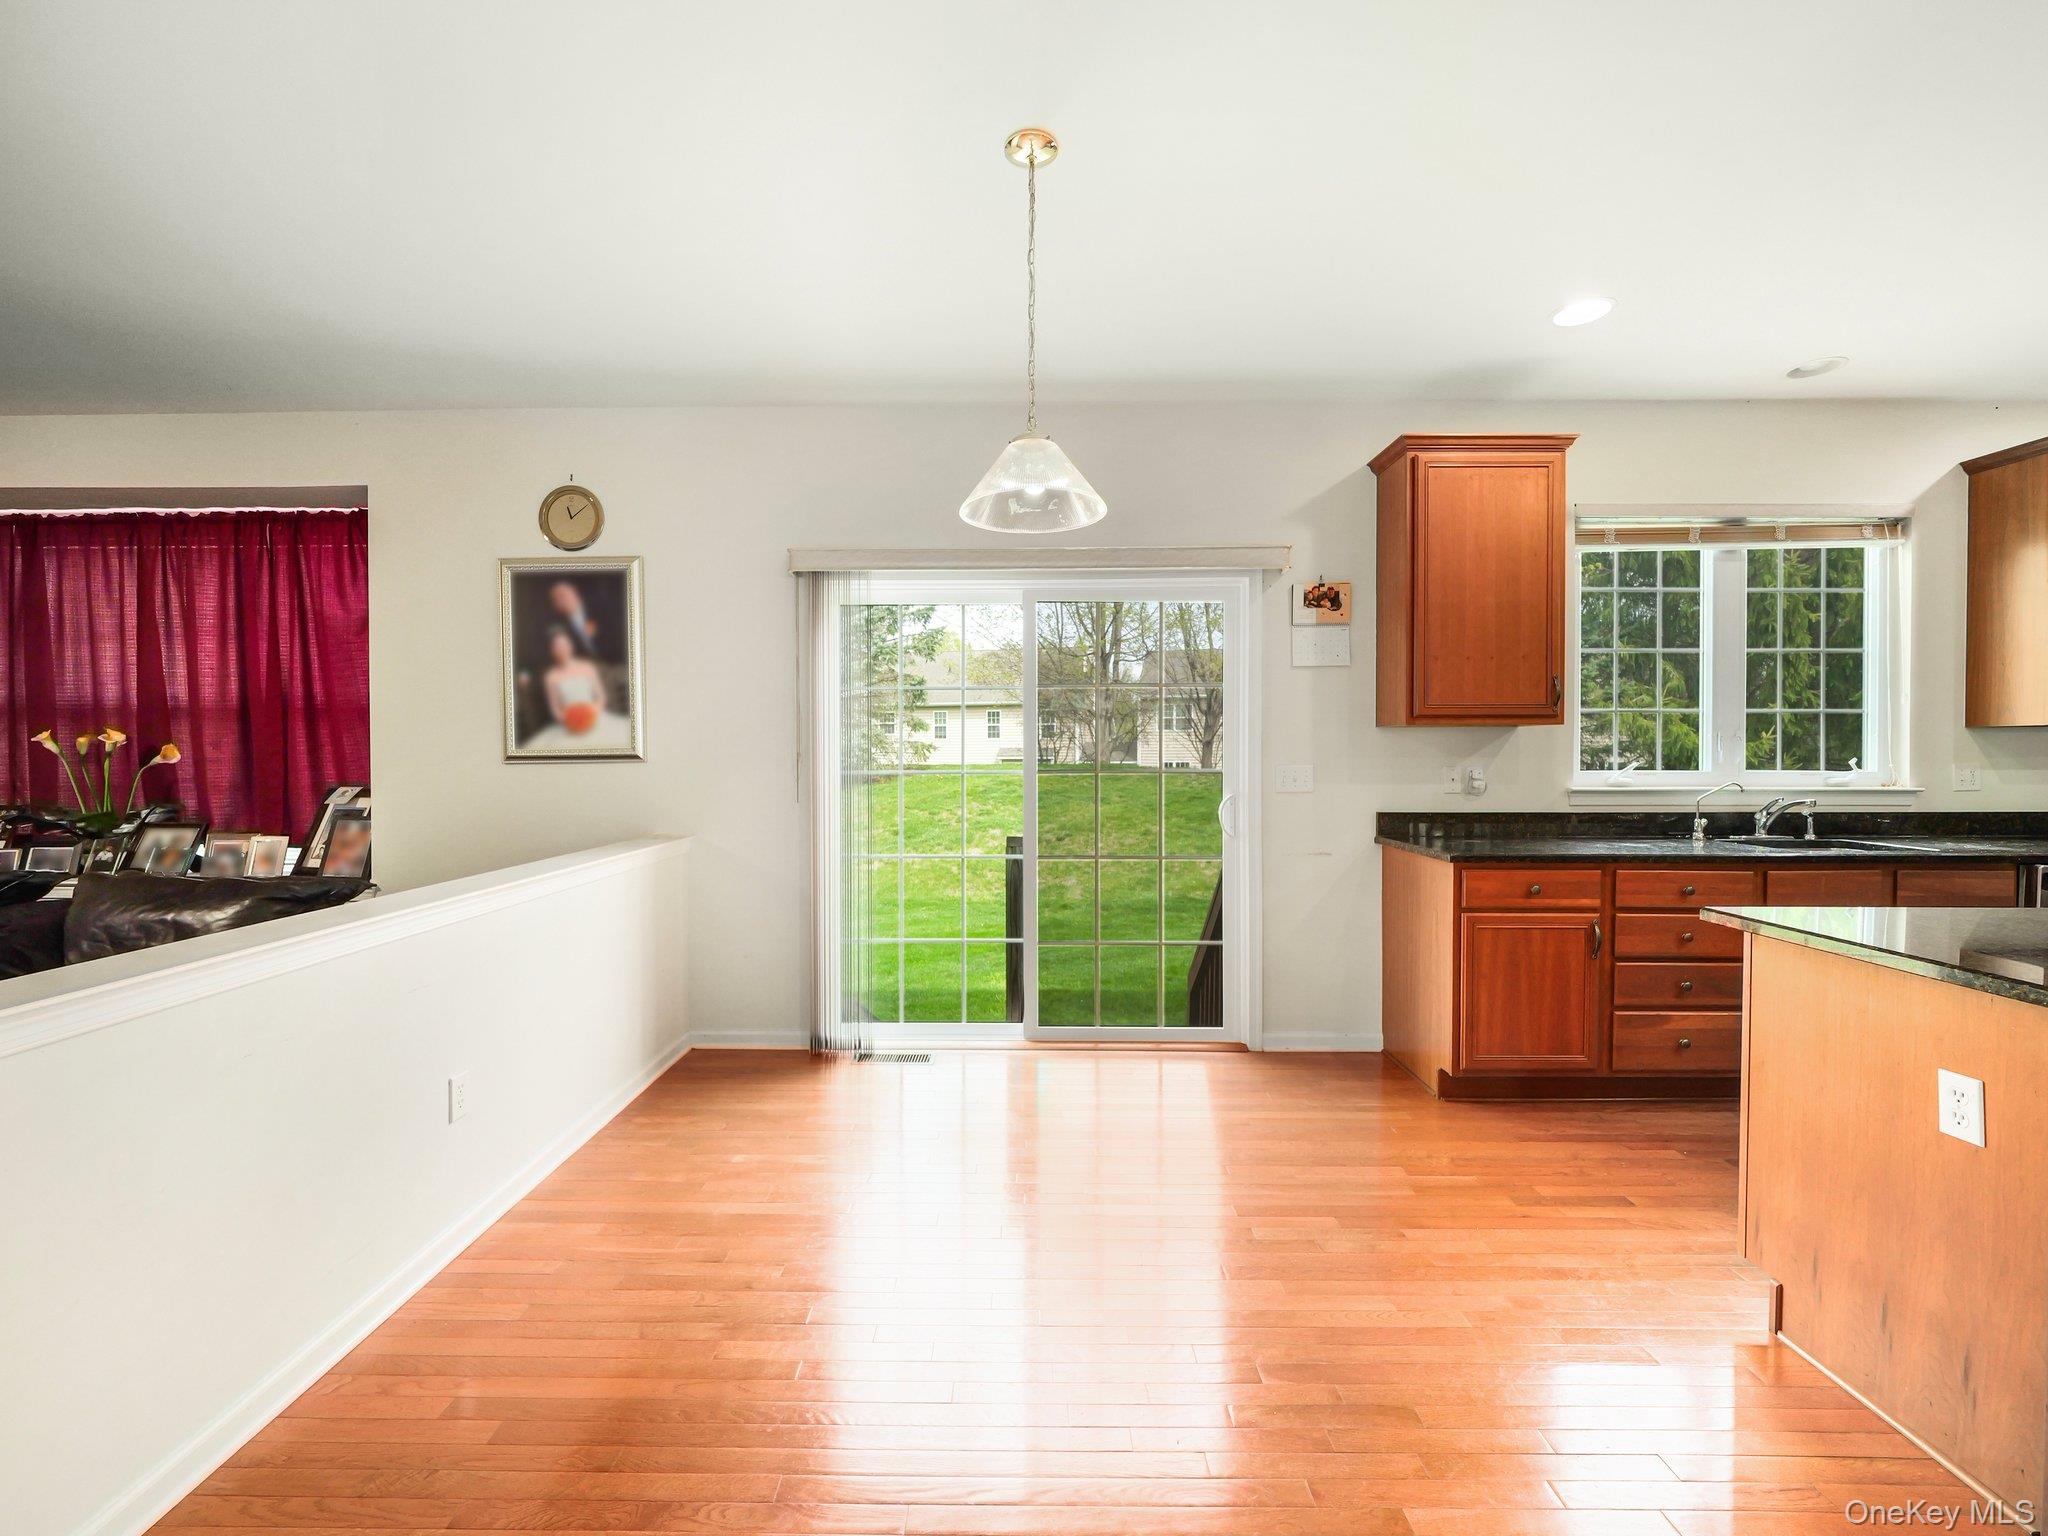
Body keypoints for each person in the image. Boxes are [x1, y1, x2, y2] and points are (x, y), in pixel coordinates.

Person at [542, 625, 606, 734]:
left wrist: (590, 715)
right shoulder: (550, 677)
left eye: (565, 644)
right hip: (569, 725)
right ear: (552, 650)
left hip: (595, 718)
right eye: (557, 646)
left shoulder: (588, 667)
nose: (562, 649)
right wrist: (573, 721)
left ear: (571, 645)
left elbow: (601, 698)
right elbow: (555, 710)